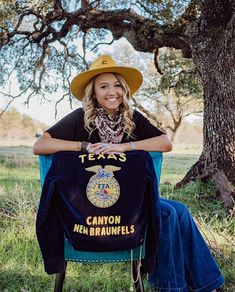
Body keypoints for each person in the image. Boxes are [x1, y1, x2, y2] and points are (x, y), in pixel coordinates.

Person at [33, 55, 224, 292]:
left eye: (117, 86)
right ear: (93, 92)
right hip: (91, 205)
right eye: (103, 86)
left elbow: (166, 143)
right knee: (165, 214)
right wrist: (85, 147)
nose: (112, 92)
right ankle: (169, 287)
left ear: (124, 90)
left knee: (180, 210)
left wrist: (124, 147)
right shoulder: (79, 119)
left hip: (130, 202)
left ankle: (207, 285)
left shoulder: (132, 120)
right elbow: (40, 146)